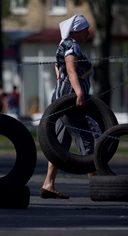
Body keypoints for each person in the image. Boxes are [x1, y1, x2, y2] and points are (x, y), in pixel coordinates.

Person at [40, 14, 94, 199]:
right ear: (76, 30)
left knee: (58, 145)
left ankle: (48, 184)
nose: (88, 33)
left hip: (60, 99)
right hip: (69, 100)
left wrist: (61, 75)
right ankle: (98, 186)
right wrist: (79, 93)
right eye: (86, 29)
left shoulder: (63, 45)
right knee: (86, 140)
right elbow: (70, 69)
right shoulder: (72, 45)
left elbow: (59, 66)